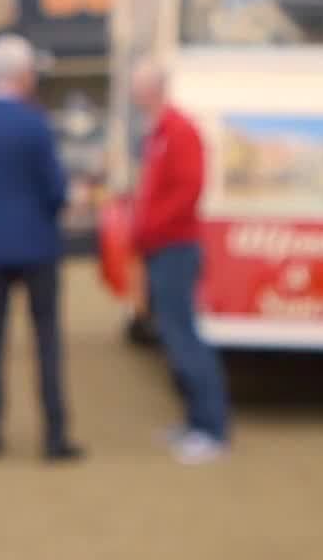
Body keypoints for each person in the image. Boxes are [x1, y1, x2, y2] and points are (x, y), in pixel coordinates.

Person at [0, 34, 84, 462]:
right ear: (22, 76)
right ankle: (54, 436)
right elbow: (55, 189)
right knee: (46, 341)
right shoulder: (35, 125)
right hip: (38, 247)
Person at [128, 57, 231, 465]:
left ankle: (212, 427)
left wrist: (150, 229)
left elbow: (188, 190)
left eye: (139, 86)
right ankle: (194, 421)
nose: (134, 95)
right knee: (173, 335)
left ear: (152, 89)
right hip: (161, 247)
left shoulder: (179, 130)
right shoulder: (160, 132)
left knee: (184, 334)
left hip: (175, 247)